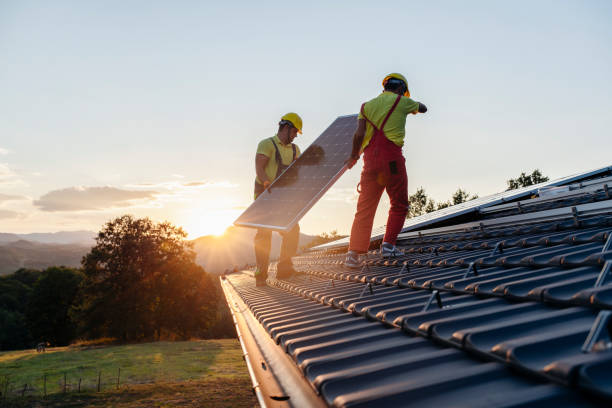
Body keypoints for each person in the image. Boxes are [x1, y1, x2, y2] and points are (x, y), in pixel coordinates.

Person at [344, 73, 427, 268]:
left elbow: (359, 134)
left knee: (364, 207)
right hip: (392, 161)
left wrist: (354, 156)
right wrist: (412, 103)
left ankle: (353, 253)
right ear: (400, 88)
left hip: (369, 162)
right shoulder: (402, 102)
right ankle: (388, 246)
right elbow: (423, 108)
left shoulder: (366, 106)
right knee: (399, 203)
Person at [253, 113, 303, 286]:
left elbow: (299, 173)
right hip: (264, 196)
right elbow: (259, 168)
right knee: (263, 234)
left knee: (292, 229)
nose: (296, 135)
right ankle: (261, 274)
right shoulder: (267, 144)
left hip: (283, 198)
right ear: (287, 127)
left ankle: (284, 269)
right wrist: (267, 182)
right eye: (295, 131)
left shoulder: (296, 150)